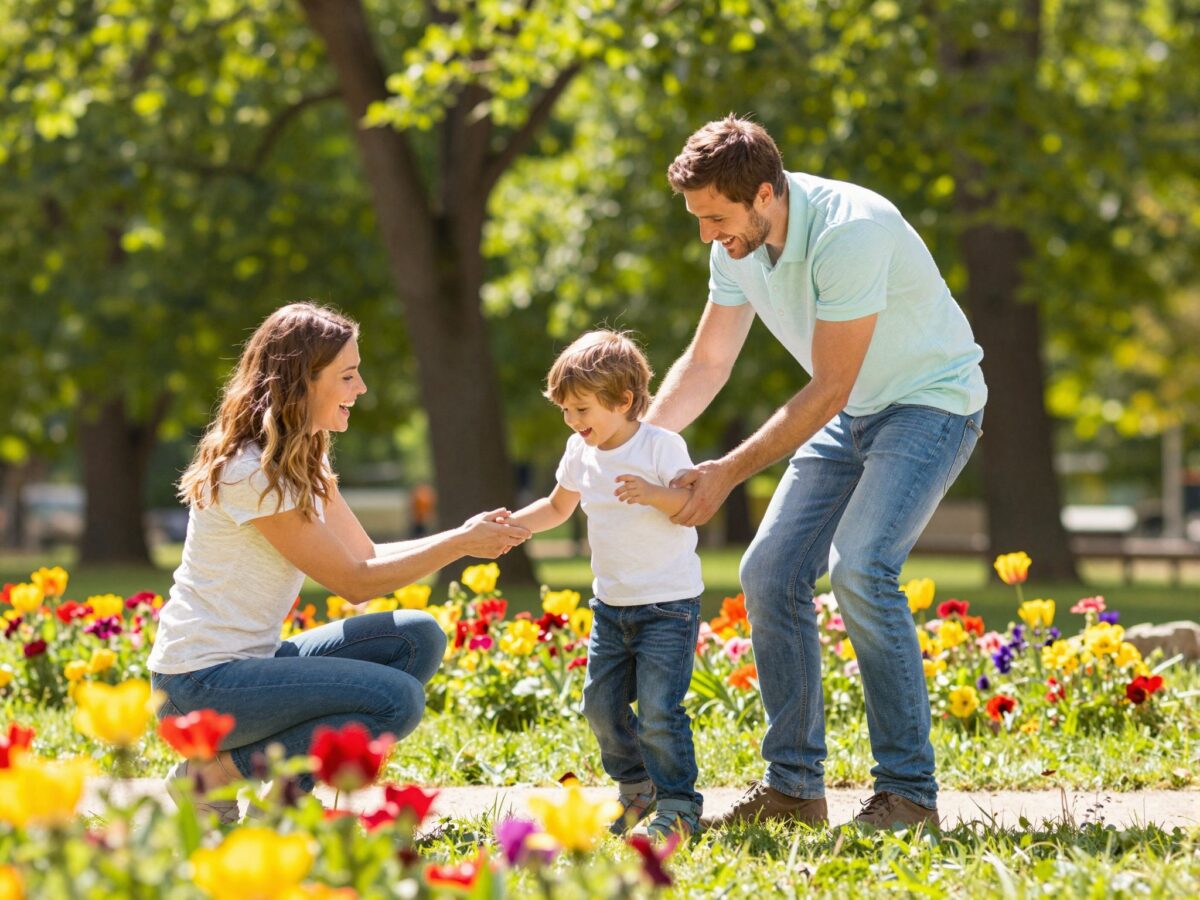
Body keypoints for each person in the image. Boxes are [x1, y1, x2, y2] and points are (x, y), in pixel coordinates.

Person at [648, 116, 987, 830]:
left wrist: (727, 472)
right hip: (856, 407)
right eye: (698, 219)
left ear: (765, 193)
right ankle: (795, 791)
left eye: (715, 218)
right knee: (768, 571)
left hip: (929, 403)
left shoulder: (849, 231)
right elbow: (708, 362)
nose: (707, 235)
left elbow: (829, 387)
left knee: (861, 568)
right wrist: (634, 442)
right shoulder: (736, 244)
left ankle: (908, 795)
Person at [147, 302, 530, 822]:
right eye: (348, 375)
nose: (362, 388)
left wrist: (464, 536)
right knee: (397, 700)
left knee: (416, 636)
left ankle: (281, 801)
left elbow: (366, 558)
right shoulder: (250, 473)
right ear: (302, 381)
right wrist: (461, 543)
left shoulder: (303, 457)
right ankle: (212, 776)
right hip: (196, 688)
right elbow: (352, 582)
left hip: (250, 667)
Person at [503, 331, 705, 838]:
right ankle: (637, 789)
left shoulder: (661, 446)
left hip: (667, 606)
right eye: (566, 411)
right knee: (600, 705)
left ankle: (679, 804)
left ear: (624, 400)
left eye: (581, 409)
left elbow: (689, 508)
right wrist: (512, 526)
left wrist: (653, 494)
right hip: (611, 607)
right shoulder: (580, 452)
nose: (573, 421)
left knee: (659, 710)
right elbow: (556, 506)